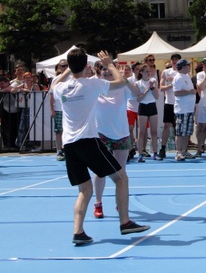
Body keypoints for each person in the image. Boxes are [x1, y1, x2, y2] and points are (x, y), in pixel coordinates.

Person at [52, 48, 150, 245]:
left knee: (84, 190)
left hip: (69, 145)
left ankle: (78, 231)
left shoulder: (61, 88)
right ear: (87, 66)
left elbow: (55, 82)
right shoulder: (92, 84)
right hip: (87, 140)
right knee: (121, 178)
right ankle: (124, 222)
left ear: (69, 67)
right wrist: (110, 65)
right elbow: (121, 83)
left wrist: (68, 70)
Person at [93, 64, 139, 218]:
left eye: (109, 70)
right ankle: (98, 203)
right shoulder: (96, 87)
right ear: (99, 74)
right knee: (101, 172)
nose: (106, 73)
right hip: (101, 135)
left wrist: (123, 78)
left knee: (121, 173)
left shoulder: (122, 87)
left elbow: (137, 93)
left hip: (121, 133)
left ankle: (120, 202)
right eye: (103, 71)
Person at [173, 59, 197, 161]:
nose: (189, 66)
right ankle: (178, 152)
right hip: (182, 110)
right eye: (187, 65)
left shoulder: (186, 76)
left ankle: (184, 150)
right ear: (183, 67)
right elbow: (176, 92)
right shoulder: (178, 78)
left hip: (189, 109)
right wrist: (189, 91)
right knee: (180, 132)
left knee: (187, 132)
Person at [135, 64, 160, 161]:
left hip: (152, 106)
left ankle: (155, 152)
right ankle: (140, 153)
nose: (149, 73)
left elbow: (157, 96)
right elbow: (139, 98)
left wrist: (153, 88)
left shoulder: (153, 81)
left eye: (149, 71)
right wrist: (147, 89)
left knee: (154, 131)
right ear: (141, 73)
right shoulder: (138, 83)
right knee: (142, 132)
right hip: (143, 107)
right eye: (146, 71)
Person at [158, 54, 181, 158]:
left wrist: (175, 81)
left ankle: (179, 150)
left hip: (180, 103)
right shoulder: (166, 72)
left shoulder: (182, 72)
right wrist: (170, 85)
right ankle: (163, 148)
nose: (174, 61)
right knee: (167, 126)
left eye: (176, 59)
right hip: (169, 103)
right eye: (173, 60)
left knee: (178, 128)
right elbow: (161, 88)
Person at [49, 60, 69, 160]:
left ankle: (67, 150)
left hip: (69, 109)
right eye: (62, 66)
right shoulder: (55, 79)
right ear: (59, 67)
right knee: (58, 131)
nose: (64, 67)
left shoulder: (72, 78)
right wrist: (52, 109)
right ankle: (59, 151)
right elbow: (51, 95)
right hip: (59, 109)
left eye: (66, 65)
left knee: (68, 130)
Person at [195, 56, 206, 157]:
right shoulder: (200, 74)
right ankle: (199, 147)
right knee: (200, 126)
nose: (205, 65)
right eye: (204, 63)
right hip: (203, 103)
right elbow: (201, 87)